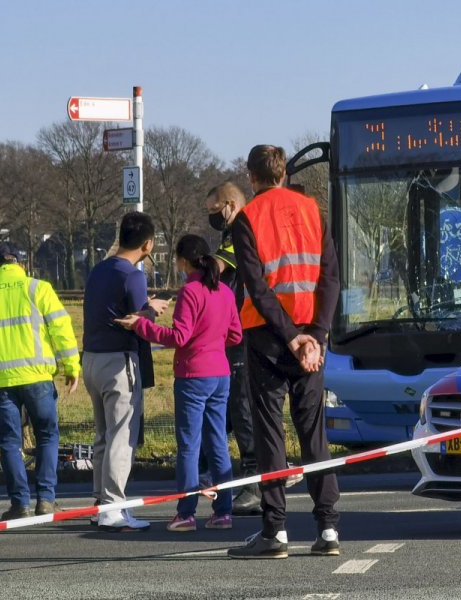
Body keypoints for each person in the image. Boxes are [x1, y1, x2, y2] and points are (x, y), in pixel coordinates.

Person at [227, 145, 341, 560]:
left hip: (268, 338)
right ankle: (328, 527)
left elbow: (257, 288)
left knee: (270, 432)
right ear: (283, 173)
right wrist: (317, 337)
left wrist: (292, 337)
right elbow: (330, 277)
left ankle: (275, 531)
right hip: (312, 339)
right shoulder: (313, 210)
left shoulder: (247, 218)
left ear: (251, 176)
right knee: (315, 434)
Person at [116, 234, 242, 531]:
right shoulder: (223, 291)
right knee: (218, 443)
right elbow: (235, 335)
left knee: (189, 445)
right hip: (220, 374)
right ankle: (224, 510)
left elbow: (179, 336)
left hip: (193, 375)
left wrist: (142, 326)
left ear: (183, 261)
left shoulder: (190, 291)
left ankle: (186, 513)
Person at [0, 244, 80, 519]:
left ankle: (19, 504)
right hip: (37, 379)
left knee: (9, 442)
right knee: (47, 435)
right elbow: (62, 328)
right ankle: (46, 500)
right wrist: (72, 367)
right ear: (20, 264)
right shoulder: (39, 289)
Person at [83, 212, 168, 532]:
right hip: (119, 362)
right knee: (122, 436)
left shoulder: (99, 269)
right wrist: (153, 309)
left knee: (103, 434)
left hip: (91, 360)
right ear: (148, 244)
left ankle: (100, 503)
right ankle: (113, 506)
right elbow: (140, 324)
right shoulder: (133, 275)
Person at [205, 181, 262, 515]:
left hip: (245, 333)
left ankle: (254, 481)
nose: (213, 218)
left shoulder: (242, 231)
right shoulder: (239, 232)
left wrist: (193, 265)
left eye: (214, 211)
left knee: (242, 406)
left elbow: (217, 268)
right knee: (236, 405)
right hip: (239, 331)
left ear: (229, 204)